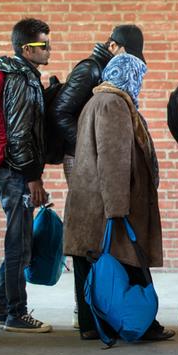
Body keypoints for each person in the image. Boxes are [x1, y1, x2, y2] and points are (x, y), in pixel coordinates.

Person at [63, 53, 174, 342]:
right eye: (139, 77)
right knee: (129, 260)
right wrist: (117, 208)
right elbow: (113, 159)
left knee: (89, 264)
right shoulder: (114, 104)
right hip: (109, 203)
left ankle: (92, 324)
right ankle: (141, 324)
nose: (140, 85)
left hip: (88, 200)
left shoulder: (95, 100)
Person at [49, 24, 146, 336]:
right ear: (113, 46)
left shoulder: (106, 80)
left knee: (91, 237)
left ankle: (91, 315)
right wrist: (86, 147)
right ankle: (92, 315)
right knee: (92, 236)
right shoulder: (92, 73)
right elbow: (61, 112)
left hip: (90, 158)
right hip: (82, 159)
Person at [0, 18, 52, 333]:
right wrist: (32, 177)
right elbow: (20, 133)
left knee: (19, 240)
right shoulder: (21, 80)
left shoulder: (22, 76)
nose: (48, 48)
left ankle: (0, 307)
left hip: (11, 170)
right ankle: (16, 312)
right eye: (43, 44)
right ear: (27, 48)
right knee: (18, 242)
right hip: (16, 172)